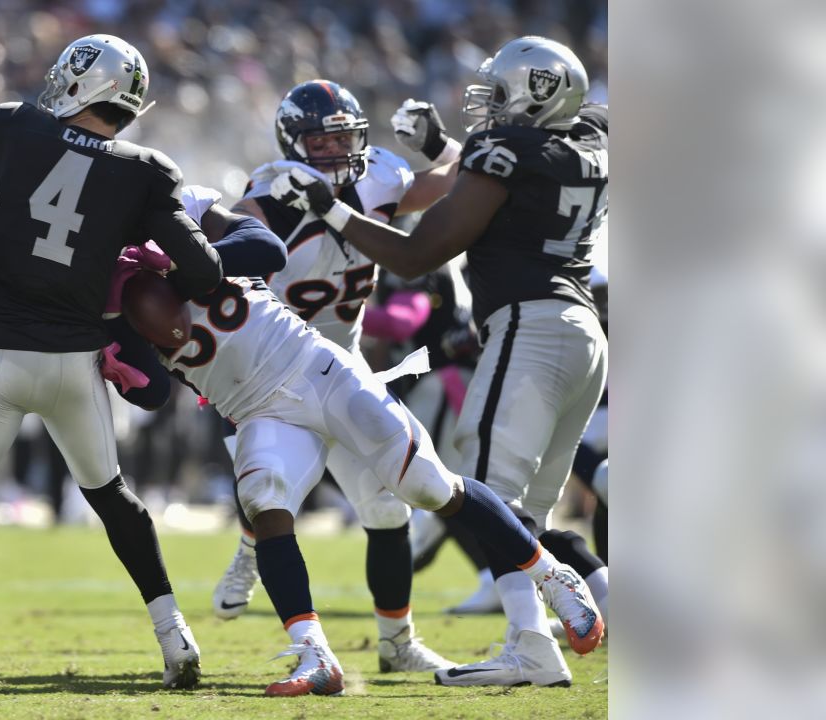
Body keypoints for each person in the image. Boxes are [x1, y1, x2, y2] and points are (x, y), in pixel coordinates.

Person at [106, 186, 603, 696]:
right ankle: (313, 653)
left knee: (431, 487)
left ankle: (554, 576)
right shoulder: (99, 285)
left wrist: (182, 265)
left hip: (315, 368)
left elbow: (264, 247)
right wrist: (117, 342)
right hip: (256, 410)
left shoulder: (184, 209)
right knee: (264, 503)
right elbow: (154, 391)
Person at [262, 36, 609, 687]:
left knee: (486, 491)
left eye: (502, 94)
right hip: (583, 326)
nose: (490, 109)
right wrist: (445, 146)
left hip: (527, 324)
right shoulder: (592, 136)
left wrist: (331, 208)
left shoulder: (506, 152)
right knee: (532, 503)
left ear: (535, 96)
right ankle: (536, 637)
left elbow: (417, 255)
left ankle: (533, 643)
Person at [0, 34, 224, 692]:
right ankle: (173, 630)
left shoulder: (16, 126)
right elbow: (204, 272)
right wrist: (131, 250)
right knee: (113, 498)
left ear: (82, 82)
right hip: (75, 364)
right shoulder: (147, 168)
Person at [209, 79, 461, 674]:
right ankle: (251, 544)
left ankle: (397, 644)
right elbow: (238, 237)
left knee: (388, 509)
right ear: (293, 143)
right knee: (268, 490)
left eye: (345, 138)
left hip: (345, 367)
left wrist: (444, 144)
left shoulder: (378, 178)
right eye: (321, 141)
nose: (335, 152)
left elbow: (455, 182)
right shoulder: (271, 190)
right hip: (273, 372)